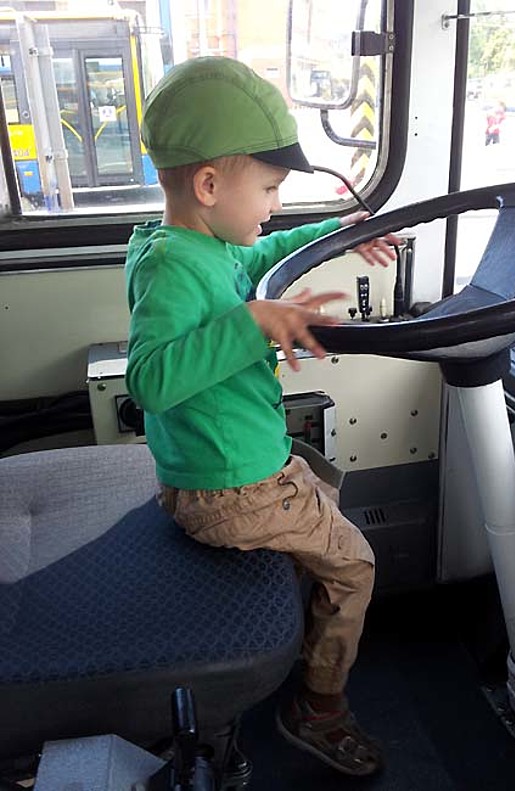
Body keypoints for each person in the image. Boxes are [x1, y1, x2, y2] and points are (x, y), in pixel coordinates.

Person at [125, 56, 398, 777]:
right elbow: (149, 380)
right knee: (357, 564)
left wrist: (335, 233)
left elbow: (263, 252)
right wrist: (252, 323)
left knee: (323, 486)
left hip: (239, 471)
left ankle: (291, 640)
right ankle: (318, 705)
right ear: (209, 187)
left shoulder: (204, 244)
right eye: (270, 189)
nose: (275, 205)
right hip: (230, 489)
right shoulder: (172, 268)